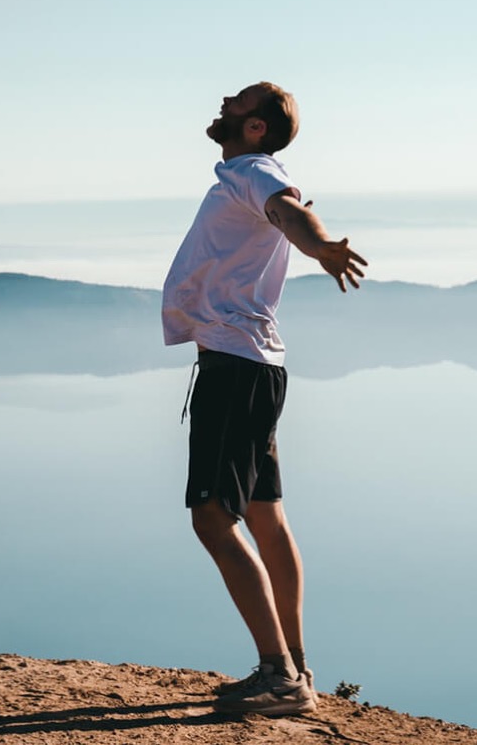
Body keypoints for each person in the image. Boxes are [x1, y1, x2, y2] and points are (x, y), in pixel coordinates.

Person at [161, 82, 367, 716]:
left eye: (238, 102)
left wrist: (319, 245)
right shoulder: (244, 173)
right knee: (263, 512)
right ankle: (294, 665)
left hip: (234, 366)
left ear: (255, 128)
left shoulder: (255, 171)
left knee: (212, 517)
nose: (224, 102)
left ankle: (280, 678)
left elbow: (290, 211)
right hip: (250, 363)